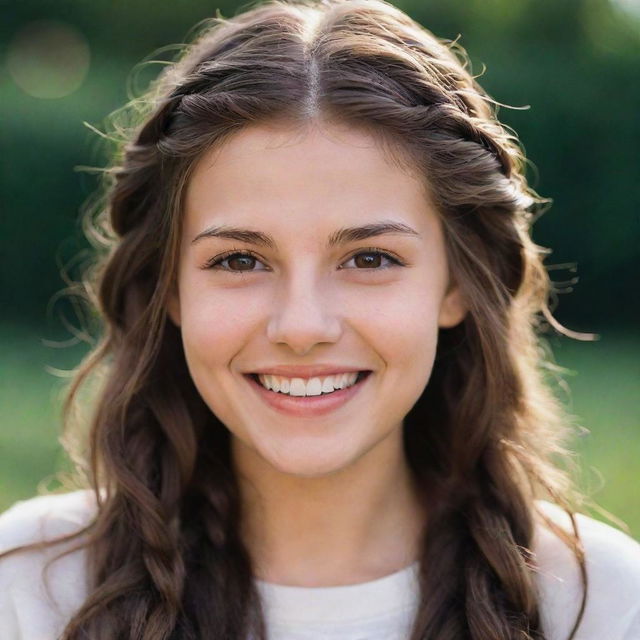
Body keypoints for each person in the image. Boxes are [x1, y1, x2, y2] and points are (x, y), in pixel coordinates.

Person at [1, 0, 639, 638]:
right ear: (169, 287)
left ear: (456, 285)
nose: (301, 326)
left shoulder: (601, 604)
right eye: (240, 260)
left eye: (369, 257)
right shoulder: (29, 592)